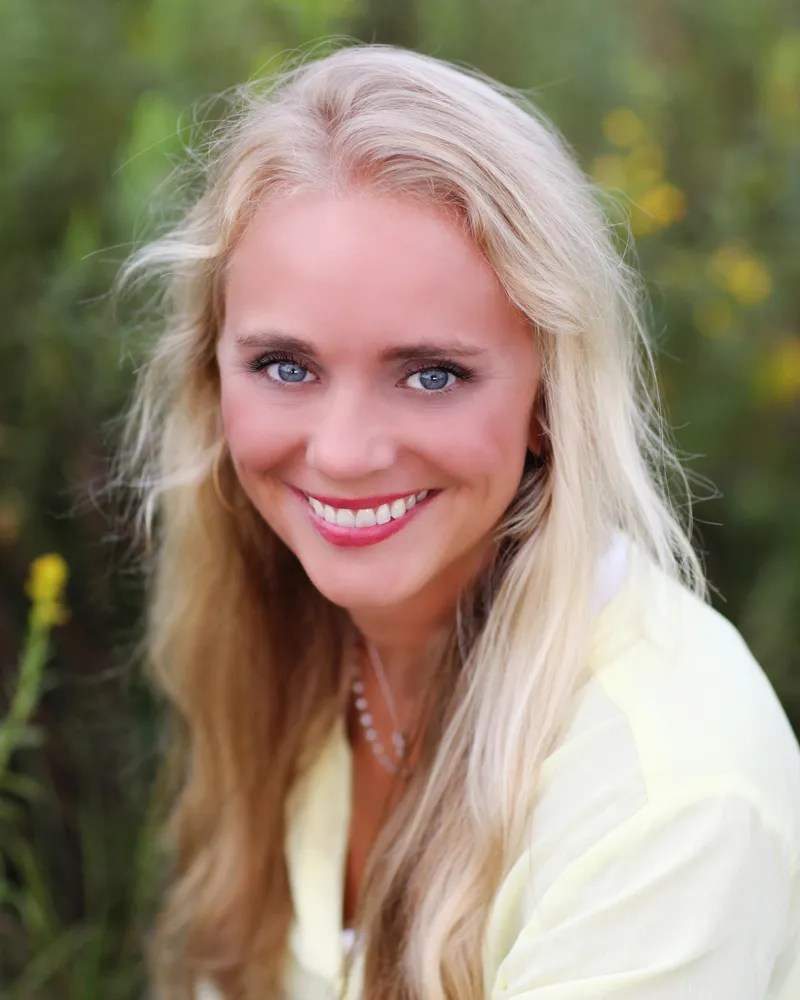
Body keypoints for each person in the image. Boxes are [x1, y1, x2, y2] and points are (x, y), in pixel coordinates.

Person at [119, 44, 800, 1000]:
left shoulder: (666, 798)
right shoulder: (280, 643)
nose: (343, 452)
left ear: (548, 398)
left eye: (432, 375)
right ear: (212, 374)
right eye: (286, 366)